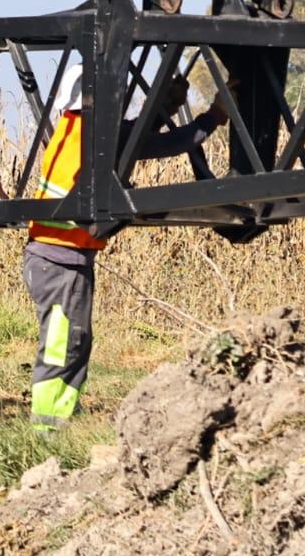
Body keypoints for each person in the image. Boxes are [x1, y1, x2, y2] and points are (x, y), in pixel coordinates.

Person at [25, 64, 231, 432]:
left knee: (72, 340)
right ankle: (48, 426)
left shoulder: (77, 130)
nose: (119, 103)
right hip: (61, 260)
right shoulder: (92, 133)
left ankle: (59, 414)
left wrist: (165, 108)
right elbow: (167, 143)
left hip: (56, 257)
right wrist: (214, 116)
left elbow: (131, 138)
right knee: (65, 343)